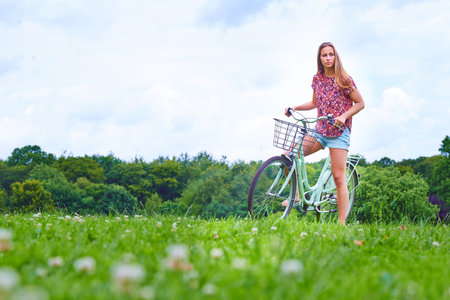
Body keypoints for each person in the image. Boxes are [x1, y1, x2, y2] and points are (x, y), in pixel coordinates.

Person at [282, 42, 365, 225]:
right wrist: (295, 107)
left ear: (336, 57)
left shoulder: (344, 79)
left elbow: (360, 103)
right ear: (319, 58)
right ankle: (295, 195)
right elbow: (314, 103)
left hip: (339, 132)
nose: (328, 58)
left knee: (338, 177)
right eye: (324, 55)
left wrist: (343, 116)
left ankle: (341, 223)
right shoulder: (317, 79)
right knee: (290, 154)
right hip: (320, 130)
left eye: (331, 54)